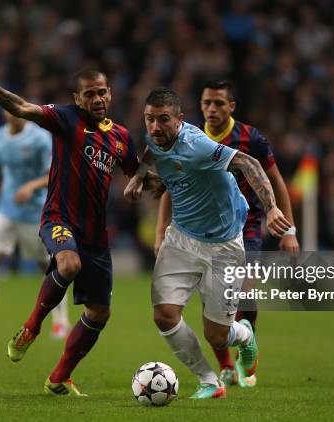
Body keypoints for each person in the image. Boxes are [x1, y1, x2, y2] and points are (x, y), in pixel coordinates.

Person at [0, 69, 145, 396]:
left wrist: (141, 181)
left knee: (100, 312)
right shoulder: (65, 119)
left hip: (95, 234)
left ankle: (58, 377)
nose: (97, 99)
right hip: (58, 217)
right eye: (89, 94)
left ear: (110, 93)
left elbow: (137, 172)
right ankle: (31, 327)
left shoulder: (121, 137)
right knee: (69, 265)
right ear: (77, 99)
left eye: (101, 92)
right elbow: (21, 107)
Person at [124, 87, 291, 399]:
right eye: (149, 120)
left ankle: (244, 335)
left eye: (163, 120)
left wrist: (271, 209)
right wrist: (137, 177)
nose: (155, 127)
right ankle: (210, 381)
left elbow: (249, 164)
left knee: (217, 335)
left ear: (180, 119)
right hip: (182, 238)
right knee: (164, 315)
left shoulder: (199, 145)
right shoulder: (154, 137)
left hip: (224, 245)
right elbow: (150, 152)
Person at [0, 111, 69, 339]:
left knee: (47, 267)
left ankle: (60, 322)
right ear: (3, 113)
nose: (14, 113)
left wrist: (31, 186)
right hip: (6, 210)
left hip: (33, 213)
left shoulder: (39, 138)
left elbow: (53, 173)